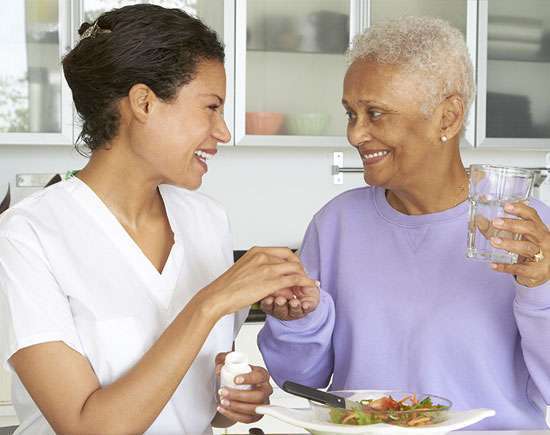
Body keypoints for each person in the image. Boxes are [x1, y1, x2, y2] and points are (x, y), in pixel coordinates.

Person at [0, 5, 317, 435]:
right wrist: (210, 302)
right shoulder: (29, 234)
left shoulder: (207, 220)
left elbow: (198, 406)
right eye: (210, 107)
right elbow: (87, 428)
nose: (223, 131)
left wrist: (234, 396)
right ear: (144, 103)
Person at [258, 16, 550, 430]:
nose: (356, 134)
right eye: (350, 114)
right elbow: (301, 381)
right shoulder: (338, 223)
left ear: (448, 117)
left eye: (376, 114)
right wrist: (297, 321)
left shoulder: (527, 234)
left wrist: (542, 289)